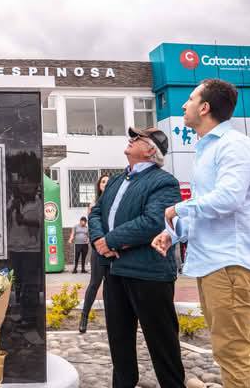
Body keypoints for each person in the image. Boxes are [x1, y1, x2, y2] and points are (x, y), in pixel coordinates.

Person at [153, 79, 250, 388]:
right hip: (214, 263)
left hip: (230, 264)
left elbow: (228, 199)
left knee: (231, 351)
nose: (184, 105)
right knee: (238, 348)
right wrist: (173, 234)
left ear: (205, 107)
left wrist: (178, 209)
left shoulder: (234, 145)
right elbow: (207, 210)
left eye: (190, 99)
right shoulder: (208, 148)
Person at [89, 126, 185, 387]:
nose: (131, 139)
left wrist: (110, 240)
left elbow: (154, 221)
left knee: (162, 344)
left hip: (149, 274)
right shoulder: (117, 180)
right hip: (115, 271)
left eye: (138, 138)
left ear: (151, 151)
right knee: (119, 343)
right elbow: (96, 212)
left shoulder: (164, 182)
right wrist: (98, 241)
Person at [79, 174, 109, 333]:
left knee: (111, 286)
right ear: (99, 186)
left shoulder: (116, 203)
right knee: (94, 284)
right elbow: (93, 227)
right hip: (98, 249)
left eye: (108, 182)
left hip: (113, 248)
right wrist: (99, 244)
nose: (105, 184)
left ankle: (112, 320)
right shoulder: (93, 204)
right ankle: (84, 317)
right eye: (103, 181)